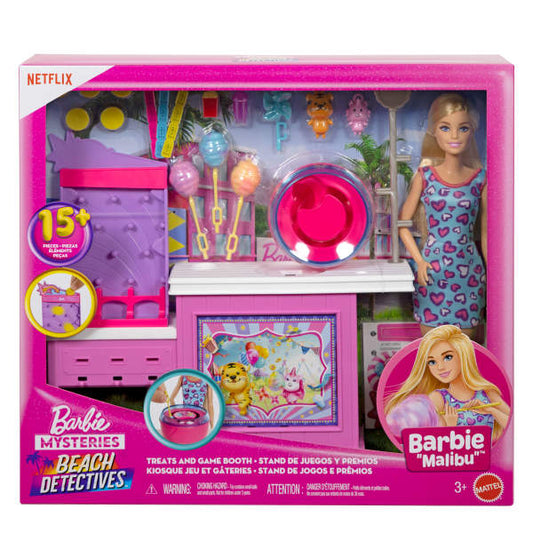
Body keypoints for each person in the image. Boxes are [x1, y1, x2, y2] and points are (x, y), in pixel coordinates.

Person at [399, 94, 487, 338]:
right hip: (432, 270)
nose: (455, 136)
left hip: (469, 272)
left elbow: (487, 233)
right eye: (446, 128)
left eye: (463, 128)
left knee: (465, 349)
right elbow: (402, 225)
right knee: (431, 347)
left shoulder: (480, 179)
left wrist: (493, 273)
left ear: (472, 131)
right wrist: (419, 261)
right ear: (434, 132)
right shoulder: (425, 176)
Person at [385, 325, 510, 441]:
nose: (440, 367)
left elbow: (514, 425)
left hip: (485, 455)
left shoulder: (486, 393)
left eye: (448, 357)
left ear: (464, 355)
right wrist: (450, 425)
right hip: (451, 456)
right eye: (432, 362)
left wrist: (491, 410)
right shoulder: (439, 398)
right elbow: (430, 444)